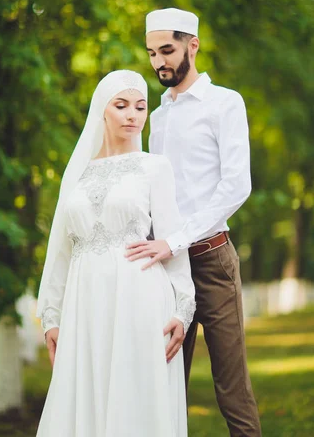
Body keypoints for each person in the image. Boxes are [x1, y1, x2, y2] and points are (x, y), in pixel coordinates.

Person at [36, 70, 196, 437]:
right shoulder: (76, 174)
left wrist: (182, 310)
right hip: (83, 305)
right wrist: (51, 316)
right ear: (101, 111)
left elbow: (172, 243)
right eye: (121, 105)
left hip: (139, 299)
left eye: (140, 107)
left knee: (135, 400)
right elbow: (60, 250)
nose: (132, 115)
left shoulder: (154, 166)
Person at [125, 9, 262, 436]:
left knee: (232, 392)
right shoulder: (158, 115)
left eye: (167, 50)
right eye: (151, 53)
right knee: (165, 387)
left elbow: (236, 186)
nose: (159, 62)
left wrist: (177, 239)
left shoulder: (225, 103)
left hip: (211, 261)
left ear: (193, 45)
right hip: (165, 271)